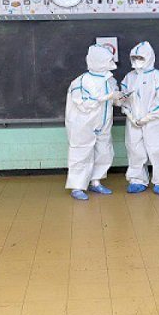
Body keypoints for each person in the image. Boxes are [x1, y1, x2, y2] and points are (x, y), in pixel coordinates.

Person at [65, 45, 122, 201]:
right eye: (107, 60)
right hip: (82, 125)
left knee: (104, 152)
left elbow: (114, 100)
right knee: (81, 154)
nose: (111, 63)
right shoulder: (80, 81)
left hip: (103, 124)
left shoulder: (110, 80)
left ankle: (95, 182)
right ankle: (77, 187)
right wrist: (108, 97)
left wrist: (119, 99)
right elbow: (83, 103)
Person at [120, 42, 159, 195]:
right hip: (133, 121)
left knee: (158, 149)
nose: (137, 61)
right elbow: (124, 98)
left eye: (141, 57)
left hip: (155, 122)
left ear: (149, 57)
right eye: (135, 57)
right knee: (135, 149)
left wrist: (146, 118)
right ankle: (137, 180)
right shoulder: (129, 77)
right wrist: (130, 115)